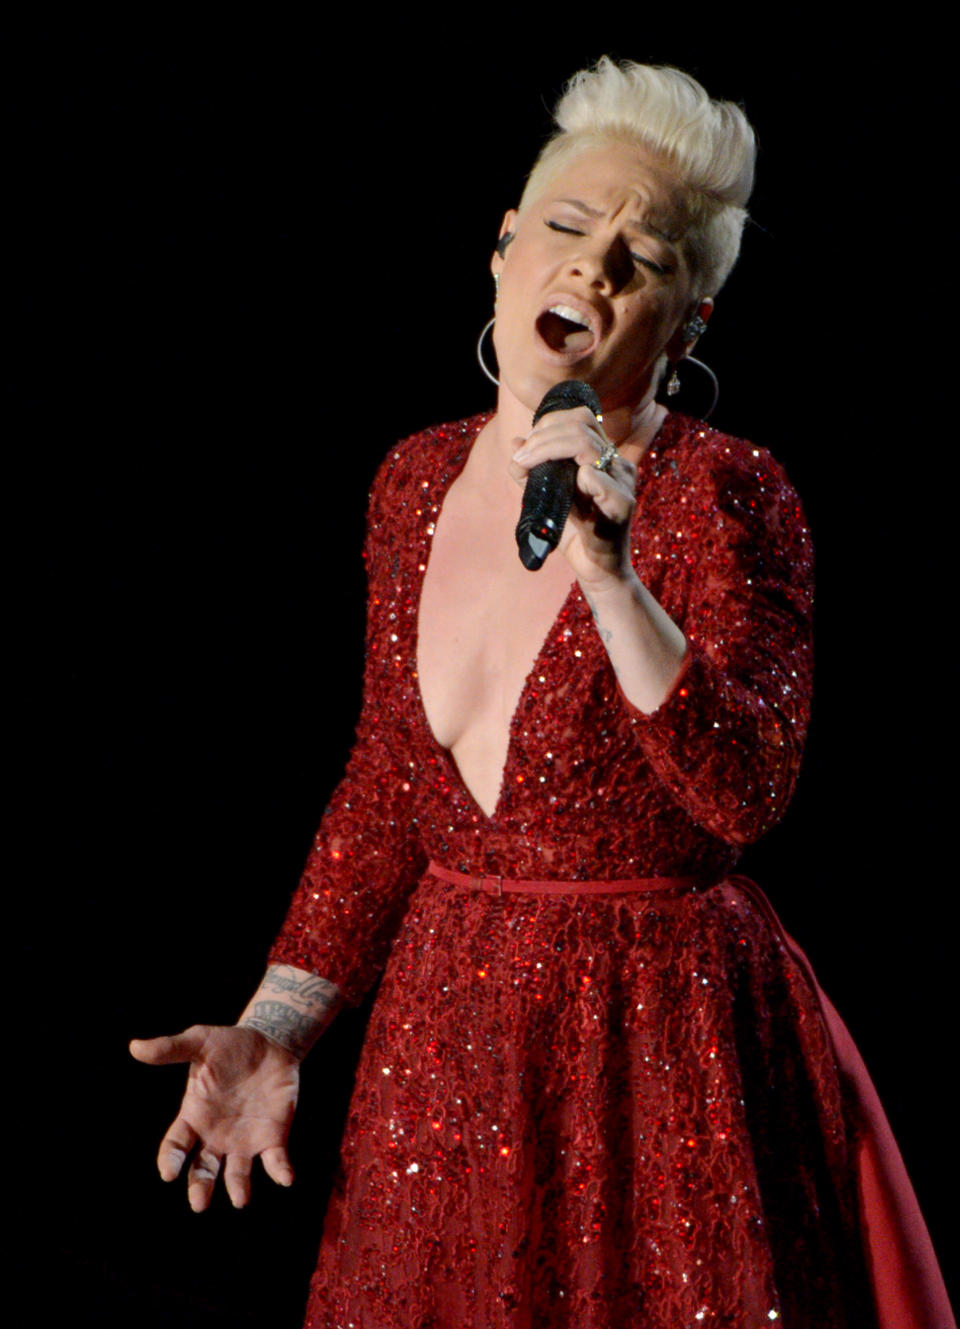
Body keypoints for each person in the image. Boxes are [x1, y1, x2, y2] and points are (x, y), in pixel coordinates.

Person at [131, 59, 954, 1328]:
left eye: (645, 256)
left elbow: (745, 793)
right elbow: (385, 787)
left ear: (689, 322)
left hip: (657, 1046)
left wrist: (611, 575)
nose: (596, 268)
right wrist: (277, 1025)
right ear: (507, 250)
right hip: (448, 1036)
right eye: (570, 228)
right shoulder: (410, 483)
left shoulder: (730, 493)